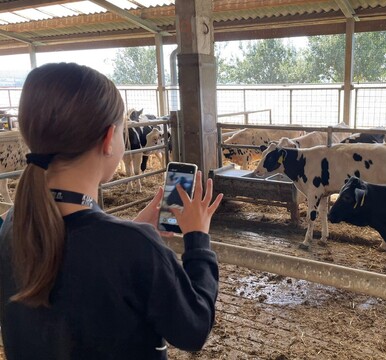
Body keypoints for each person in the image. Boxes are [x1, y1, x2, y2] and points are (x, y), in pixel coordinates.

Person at [0, 62, 223, 360]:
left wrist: (128, 230)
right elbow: (194, 329)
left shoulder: (11, 226)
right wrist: (198, 240)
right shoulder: (133, 248)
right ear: (109, 139)